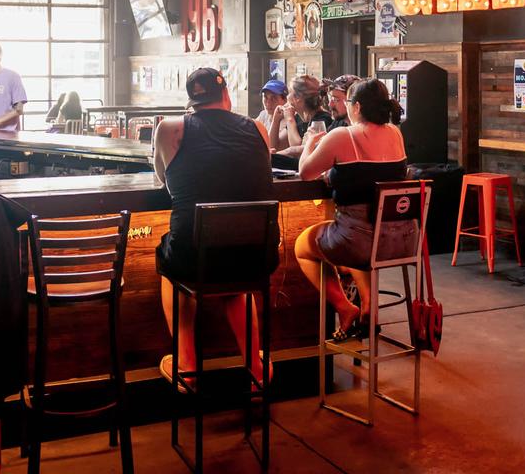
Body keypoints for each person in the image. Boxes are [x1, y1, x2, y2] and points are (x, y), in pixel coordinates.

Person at [153, 67, 276, 385]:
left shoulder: (170, 128)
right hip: (256, 256)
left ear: (191, 101)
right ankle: (256, 366)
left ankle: (188, 365)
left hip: (196, 258)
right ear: (226, 95)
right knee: (235, 282)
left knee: (170, 263)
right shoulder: (258, 128)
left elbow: (164, 180)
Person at [294, 78, 409, 340]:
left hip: (360, 241)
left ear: (356, 107)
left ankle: (345, 307)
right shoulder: (395, 133)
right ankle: (368, 308)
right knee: (358, 238)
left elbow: (305, 173)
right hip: (400, 241)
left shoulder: (342, 135)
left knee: (303, 247)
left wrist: (309, 144)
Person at [270, 75, 332, 163]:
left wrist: (289, 119)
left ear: (298, 98)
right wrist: (276, 120)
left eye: (289, 93)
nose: (287, 97)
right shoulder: (298, 118)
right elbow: (273, 146)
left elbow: (298, 151)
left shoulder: (321, 120)